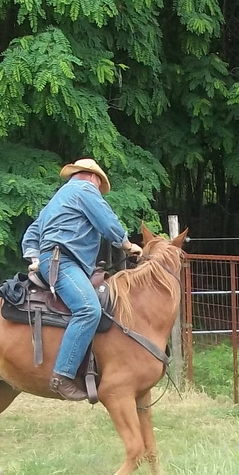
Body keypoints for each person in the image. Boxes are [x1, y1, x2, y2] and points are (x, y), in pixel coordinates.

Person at [20, 158, 142, 401]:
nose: (98, 189)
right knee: (88, 309)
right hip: (64, 262)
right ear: (94, 177)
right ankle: (62, 376)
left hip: (56, 260)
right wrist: (128, 246)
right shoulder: (85, 189)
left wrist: (34, 256)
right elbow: (107, 223)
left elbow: (33, 231)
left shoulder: (59, 198)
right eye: (99, 184)